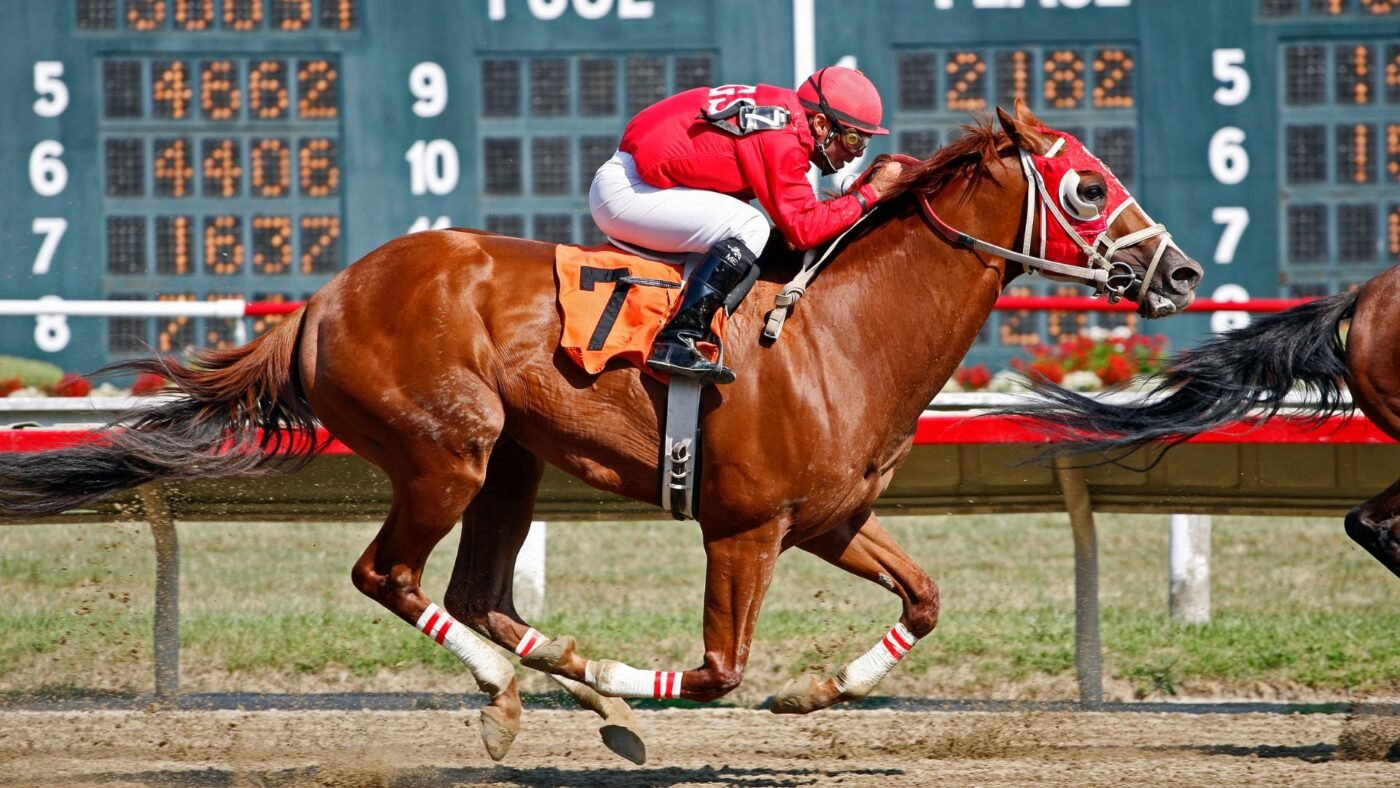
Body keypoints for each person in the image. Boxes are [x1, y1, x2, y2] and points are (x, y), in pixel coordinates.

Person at [589, 66, 905, 385]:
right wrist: (870, 193)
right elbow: (805, 229)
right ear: (821, 124)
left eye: (863, 144)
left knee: (749, 229)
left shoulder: (785, 116)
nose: (855, 155)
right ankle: (677, 338)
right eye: (852, 140)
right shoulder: (783, 137)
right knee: (751, 226)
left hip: (639, 177)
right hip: (630, 190)